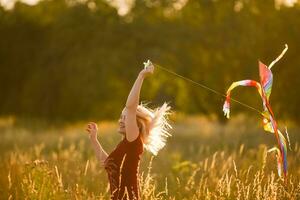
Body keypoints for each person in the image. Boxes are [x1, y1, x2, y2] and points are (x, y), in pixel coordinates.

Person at [86, 60, 172, 200]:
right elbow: (107, 163)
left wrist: (141, 76)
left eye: (124, 118)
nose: (120, 120)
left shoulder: (133, 141)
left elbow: (131, 106)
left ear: (135, 124)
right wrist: (94, 139)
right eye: (120, 117)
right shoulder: (125, 145)